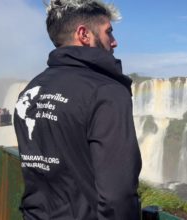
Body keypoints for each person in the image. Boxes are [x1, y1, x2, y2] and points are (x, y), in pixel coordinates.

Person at [13, 0, 142, 219]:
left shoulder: (31, 90)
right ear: (84, 34)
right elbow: (117, 196)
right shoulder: (107, 91)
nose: (114, 41)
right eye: (108, 32)